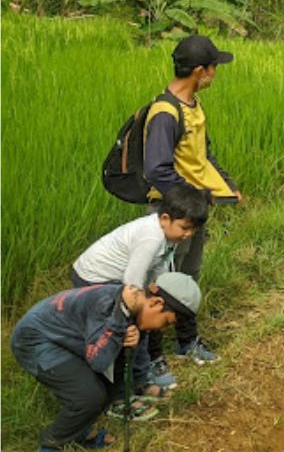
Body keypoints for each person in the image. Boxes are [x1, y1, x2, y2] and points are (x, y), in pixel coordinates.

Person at [10, 272, 201, 451]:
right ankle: (49, 444)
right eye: (166, 322)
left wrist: (130, 346)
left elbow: (117, 363)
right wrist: (120, 317)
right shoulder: (112, 307)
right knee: (89, 397)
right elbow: (99, 362)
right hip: (35, 340)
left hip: (67, 340)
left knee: (101, 391)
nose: (162, 329)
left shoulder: (134, 309)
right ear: (157, 303)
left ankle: (79, 432)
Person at [143, 34, 241, 378]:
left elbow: (203, 156)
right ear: (200, 71)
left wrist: (225, 185)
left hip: (194, 212)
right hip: (171, 216)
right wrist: (190, 201)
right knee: (159, 284)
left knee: (187, 278)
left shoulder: (194, 106)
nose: (216, 74)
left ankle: (187, 341)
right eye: (214, 68)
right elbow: (156, 169)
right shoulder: (165, 113)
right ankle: (151, 359)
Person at [70, 187, 210, 398]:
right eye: (184, 228)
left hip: (119, 280)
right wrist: (140, 307)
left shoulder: (168, 236)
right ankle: (119, 390)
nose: (188, 234)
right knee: (126, 330)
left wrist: (158, 288)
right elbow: (132, 282)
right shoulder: (151, 237)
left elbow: (159, 268)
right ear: (165, 218)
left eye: (193, 230)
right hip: (95, 277)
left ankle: (140, 379)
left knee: (141, 326)